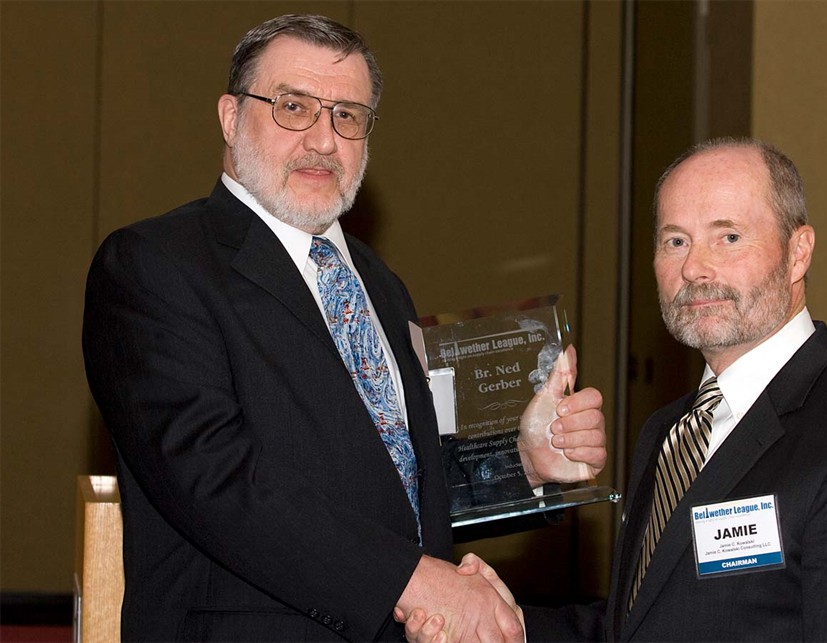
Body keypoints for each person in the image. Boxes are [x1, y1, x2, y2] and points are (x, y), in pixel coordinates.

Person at [82, 14, 606, 642]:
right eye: (293, 107)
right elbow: (215, 480)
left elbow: (395, 482)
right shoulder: (156, 264)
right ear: (229, 117)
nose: (324, 140)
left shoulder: (380, 286)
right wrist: (415, 581)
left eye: (348, 116)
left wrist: (522, 462)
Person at [404, 137, 827, 642]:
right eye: (675, 241)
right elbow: (642, 625)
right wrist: (513, 630)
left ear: (798, 251)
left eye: (728, 236)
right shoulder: (666, 431)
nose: (695, 267)